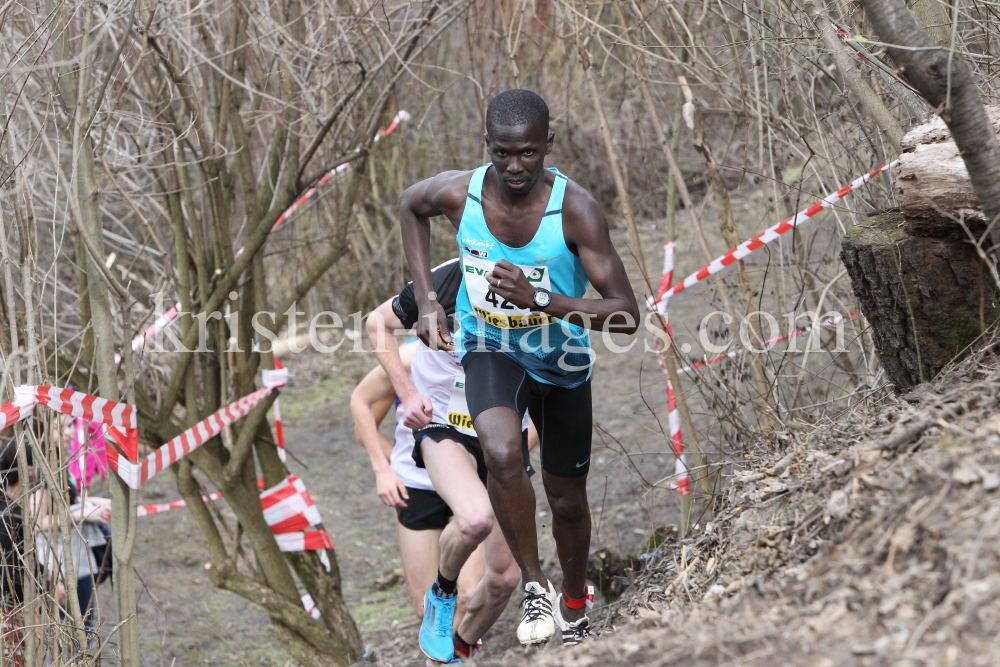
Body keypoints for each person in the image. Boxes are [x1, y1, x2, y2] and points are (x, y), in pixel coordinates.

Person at [397, 89, 640, 648]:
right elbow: (411, 205)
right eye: (503, 152)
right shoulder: (461, 193)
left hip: (562, 358)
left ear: (548, 145)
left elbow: (627, 314)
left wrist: (545, 301)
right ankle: (535, 585)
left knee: (567, 499)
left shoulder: (574, 210)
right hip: (490, 345)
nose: (514, 166)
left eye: (528, 153)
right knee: (502, 451)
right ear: (487, 145)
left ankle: (574, 604)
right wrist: (429, 299)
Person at [365, 260, 537, 664]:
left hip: (504, 436)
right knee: (475, 519)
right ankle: (442, 593)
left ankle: (460, 645)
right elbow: (377, 323)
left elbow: (575, 366)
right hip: (445, 428)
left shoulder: (539, 282)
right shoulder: (444, 279)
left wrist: (531, 439)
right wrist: (406, 393)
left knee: (505, 578)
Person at [349, 338, 488, 632]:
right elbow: (363, 411)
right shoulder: (409, 356)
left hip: (473, 484)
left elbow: (531, 420)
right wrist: (385, 469)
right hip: (417, 486)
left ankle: (460, 658)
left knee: (469, 594)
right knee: (425, 607)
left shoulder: (496, 347)